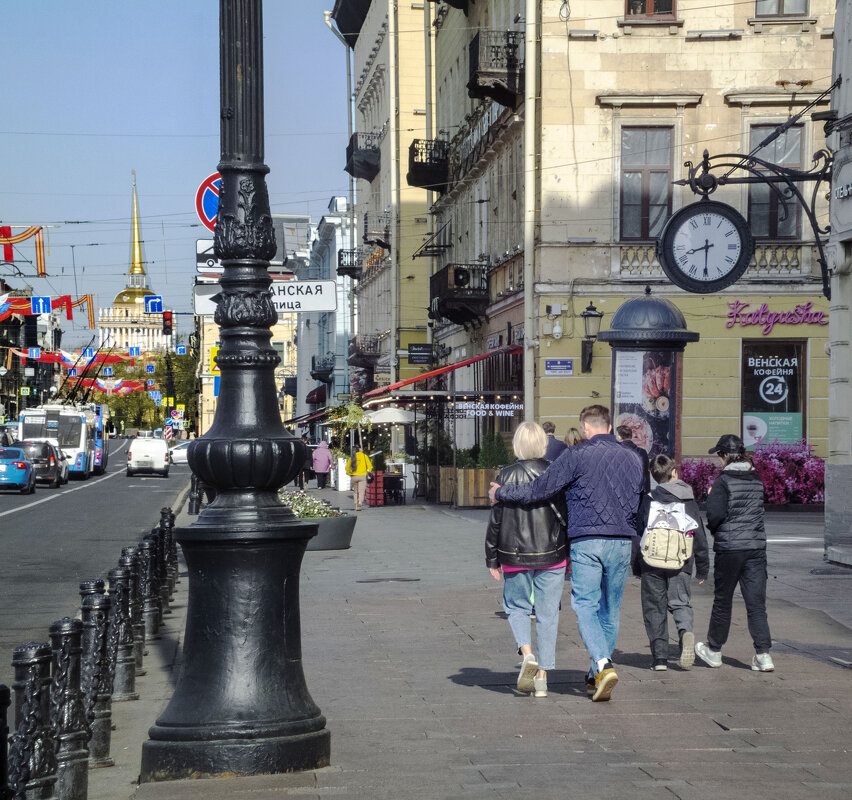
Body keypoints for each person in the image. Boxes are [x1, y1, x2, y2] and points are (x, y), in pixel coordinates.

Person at [489, 405, 644, 702]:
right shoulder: (633, 458)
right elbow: (640, 502)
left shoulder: (576, 455)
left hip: (587, 540)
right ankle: (593, 675)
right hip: (622, 541)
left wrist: (501, 493)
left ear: (586, 427)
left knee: (585, 605)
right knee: (610, 610)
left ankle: (602, 663)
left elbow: (538, 490)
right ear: (609, 426)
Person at [486, 422, 568, 698]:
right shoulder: (555, 473)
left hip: (514, 553)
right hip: (552, 553)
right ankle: (543, 678)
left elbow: (496, 520)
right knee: (547, 615)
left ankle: (527, 652)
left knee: (517, 607)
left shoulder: (506, 476)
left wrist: (491, 557)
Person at [696, 434, 774, 672]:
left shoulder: (723, 481)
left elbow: (715, 516)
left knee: (723, 600)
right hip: (755, 548)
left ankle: (714, 650)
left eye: (719, 456)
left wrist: (711, 503)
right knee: (756, 603)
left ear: (725, 456)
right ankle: (763, 655)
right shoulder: (756, 479)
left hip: (730, 549)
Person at [636, 454, 709, 671]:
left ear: (655, 477)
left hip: (652, 562)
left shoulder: (648, 499)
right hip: (681, 561)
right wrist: (703, 568)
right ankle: (685, 632)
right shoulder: (688, 500)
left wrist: (637, 565)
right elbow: (699, 535)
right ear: (674, 473)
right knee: (680, 602)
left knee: (654, 607)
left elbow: (639, 533)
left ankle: (659, 659)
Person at [616, 424, 651, 494]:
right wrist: (646, 491)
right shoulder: (642, 452)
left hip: (621, 492)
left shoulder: (616, 452)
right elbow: (646, 473)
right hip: (639, 491)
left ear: (619, 437)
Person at [345, 444, 372, 511]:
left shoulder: (351, 458)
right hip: (362, 476)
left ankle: (356, 506)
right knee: (361, 491)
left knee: (355, 492)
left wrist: (350, 474)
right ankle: (360, 502)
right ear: (360, 449)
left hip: (354, 476)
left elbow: (347, 468)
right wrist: (368, 471)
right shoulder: (364, 456)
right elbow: (370, 466)